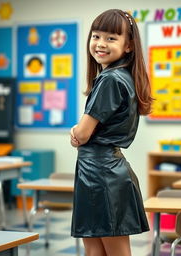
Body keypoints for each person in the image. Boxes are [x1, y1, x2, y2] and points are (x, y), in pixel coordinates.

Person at [70, 9, 153, 256]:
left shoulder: (110, 79)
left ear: (128, 46)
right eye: (96, 36)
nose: (100, 44)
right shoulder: (119, 77)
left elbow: (83, 134)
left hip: (101, 175)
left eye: (111, 38)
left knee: (112, 252)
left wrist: (74, 130)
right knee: (96, 251)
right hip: (100, 172)